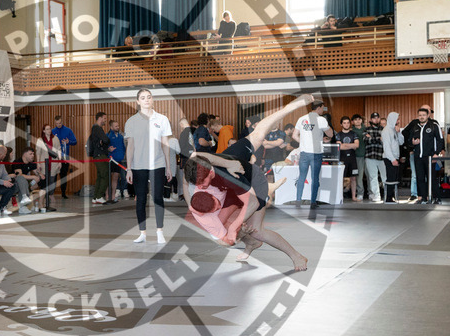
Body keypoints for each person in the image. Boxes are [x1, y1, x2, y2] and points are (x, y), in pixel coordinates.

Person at [182, 95, 312, 271]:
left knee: (255, 229)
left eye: (204, 184)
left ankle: (297, 256)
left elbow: (252, 202)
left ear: (212, 171)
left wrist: (292, 106)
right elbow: (193, 159)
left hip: (253, 182)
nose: (202, 187)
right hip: (229, 179)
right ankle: (250, 243)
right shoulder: (195, 172)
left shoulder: (230, 175)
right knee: (228, 231)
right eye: (199, 186)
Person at [124, 88, 173, 244]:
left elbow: (165, 145)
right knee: (141, 200)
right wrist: (129, 168)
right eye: (143, 97)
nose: (146, 100)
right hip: (138, 166)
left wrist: (168, 166)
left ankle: (160, 231)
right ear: (138, 102)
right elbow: (130, 146)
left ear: (153, 100)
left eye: (149, 97)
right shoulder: (131, 121)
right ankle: (142, 233)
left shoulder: (162, 119)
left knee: (158, 198)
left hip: (158, 164)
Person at [293, 100, 334, 206]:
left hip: (304, 153)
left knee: (302, 177)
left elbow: (294, 136)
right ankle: (312, 201)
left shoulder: (301, 119)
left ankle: (298, 200)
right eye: (322, 108)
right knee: (315, 178)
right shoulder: (321, 120)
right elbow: (330, 134)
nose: (322, 110)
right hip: (316, 153)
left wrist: (303, 142)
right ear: (319, 108)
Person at [406, 107, 444, 204]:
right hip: (418, 157)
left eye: (423, 115)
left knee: (432, 178)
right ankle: (423, 198)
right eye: (420, 115)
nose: (421, 117)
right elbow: (409, 140)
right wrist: (412, 142)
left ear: (428, 115)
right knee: (420, 177)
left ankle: (436, 198)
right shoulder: (415, 127)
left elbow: (440, 140)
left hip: (430, 157)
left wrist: (436, 154)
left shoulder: (434, 126)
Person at [35, 124, 61, 212]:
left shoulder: (55, 139)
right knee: (44, 181)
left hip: (53, 163)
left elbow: (58, 150)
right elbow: (38, 152)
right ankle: (43, 199)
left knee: (52, 180)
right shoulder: (40, 140)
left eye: (50, 129)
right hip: (43, 163)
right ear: (43, 131)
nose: (49, 130)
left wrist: (59, 161)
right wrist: (38, 163)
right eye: (47, 129)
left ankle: (50, 195)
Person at [88, 112, 111, 205]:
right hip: (100, 155)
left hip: (97, 155)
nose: (105, 120)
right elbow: (106, 140)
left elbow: (103, 141)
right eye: (105, 118)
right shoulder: (97, 128)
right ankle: (99, 196)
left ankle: (95, 197)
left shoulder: (95, 129)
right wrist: (105, 142)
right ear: (100, 118)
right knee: (105, 176)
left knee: (100, 177)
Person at [51, 115, 76, 198]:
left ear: (62, 122)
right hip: (54, 157)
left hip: (65, 157)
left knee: (63, 176)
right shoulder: (52, 131)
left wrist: (69, 142)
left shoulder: (68, 130)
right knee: (53, 176)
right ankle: (51, 193)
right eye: (57, 123)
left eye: (60, 123)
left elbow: (75, 141)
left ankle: (63, 193)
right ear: (55, 123)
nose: (59, 124)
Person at [335, 116, 360, 201]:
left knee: (353, 178)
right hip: (342, 159)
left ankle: (353, 197)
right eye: (344, 123)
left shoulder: (354, 134)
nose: (346, 124)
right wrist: (351, 145)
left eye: (348, 123)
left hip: (352, 159)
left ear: (350, 123)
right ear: (341, 124)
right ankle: (340, 196)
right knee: (341, 178)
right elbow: (339, 147)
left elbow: (357, 145)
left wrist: (345, 145)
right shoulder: (338, 134)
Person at [362, 112, 385, 202]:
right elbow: (366, 140)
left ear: (379, 119)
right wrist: (379, 139)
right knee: (373, 177)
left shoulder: (384, 129)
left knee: (384, 177)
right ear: (371, 119)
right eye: (374, 118)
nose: (376, 119)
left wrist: (372, 138)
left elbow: (384, 141)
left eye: (377, 118)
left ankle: (387, 194)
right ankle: (376, 195)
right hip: (370, 156)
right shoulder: (366, 130)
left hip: (381, 156)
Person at [382, 112, 404, 203]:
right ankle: (388, 198)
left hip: (395, 157)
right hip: (389, 158)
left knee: (394, 178)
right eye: (397, 119)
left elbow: (401, 142)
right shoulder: (386, 131)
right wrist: (392, 159)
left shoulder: (394, 129)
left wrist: (399, 133)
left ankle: (391, 197)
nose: (398, 121)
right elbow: (386, 147)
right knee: (390, 179)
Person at [11, 148, 41, 213]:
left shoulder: (31, 163)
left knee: (35, 182)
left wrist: (39, 175)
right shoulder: (17, 161)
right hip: (14, 184)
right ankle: (23, 206)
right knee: (22, 179)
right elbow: (19, 175)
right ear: (24, 155)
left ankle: (28, 204)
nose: (33, 155)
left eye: (33, 154)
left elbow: (37, 173)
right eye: (30, 154)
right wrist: (33, 177)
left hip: (24, 183)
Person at [107, 119, 127, 202]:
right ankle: (107, 196)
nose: (118, 127)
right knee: (108, 179)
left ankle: (113, 196)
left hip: (119, 160)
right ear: (111, 127)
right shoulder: (107, 136)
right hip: (110, 160)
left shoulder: (120, 136)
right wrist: (108, 149)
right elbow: (105, 147)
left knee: (115, 178)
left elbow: (123, 147)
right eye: (116, 126)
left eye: (118, 126)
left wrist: (123, 155)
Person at [351, 114, 367, 197]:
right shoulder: (351, 131)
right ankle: (360, 193)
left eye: (359, 119)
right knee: (359, 176)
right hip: (357, 156)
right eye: (355, 119)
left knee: (370, 176)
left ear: (361, 120)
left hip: (368, 155)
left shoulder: (366, 129)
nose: (358, 121)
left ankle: (372, 193)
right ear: (352, 122)